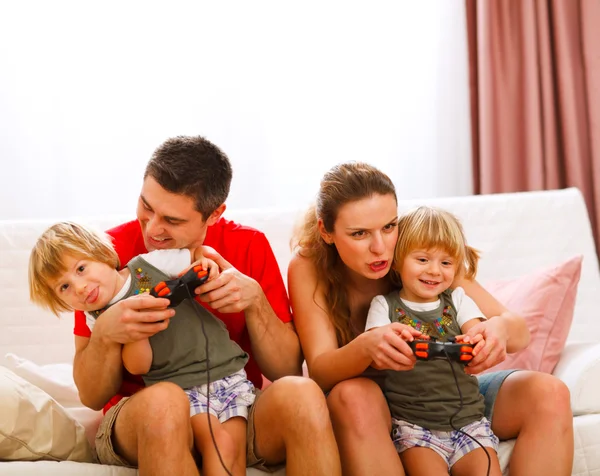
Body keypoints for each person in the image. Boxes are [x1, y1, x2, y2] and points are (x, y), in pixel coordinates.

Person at [68, 136, 341, 476]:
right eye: (146, 206)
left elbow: (285, 370)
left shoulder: (248, 245)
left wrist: (254, 302)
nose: (153, 229)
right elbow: (91, 395)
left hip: (232, 407)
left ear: (215, 214)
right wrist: (107, 334)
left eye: (173, 220)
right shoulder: (102, 256)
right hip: (144, 417)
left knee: (303, 394)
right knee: (165, 403)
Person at [288, 162, 573, 476]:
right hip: (375, 409)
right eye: (359, 234)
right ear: (326, 231)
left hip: (446, 400)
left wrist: (499, 330)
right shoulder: (309, 265)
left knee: (550, 392)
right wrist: (367, 346)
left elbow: (518, 332)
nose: (380, 248)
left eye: (388, 226)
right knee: (352, 395)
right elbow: (321, 370)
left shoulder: (417, 251)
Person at [29, 221, 255, 475]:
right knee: (218, 442)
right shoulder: (98, 317)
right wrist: (136, 331)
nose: (79, 287)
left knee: (230, 450)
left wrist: (206, 264)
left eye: (81, 269)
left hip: (230, 373)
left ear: (103, 254)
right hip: (184, 390)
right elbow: (138, 366)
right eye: (64, 287)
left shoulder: (147, 265)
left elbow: (196, 253)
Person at [364, 206, 501, 475]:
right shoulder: (383, 305)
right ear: (398, 260)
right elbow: (374, 351)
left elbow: (477, 333)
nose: (435, 271)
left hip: (469, 421)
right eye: (423, 260)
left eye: (446, 263)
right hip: (414, 425)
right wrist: (397, 342)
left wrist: (475, 342)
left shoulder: (458, 299)